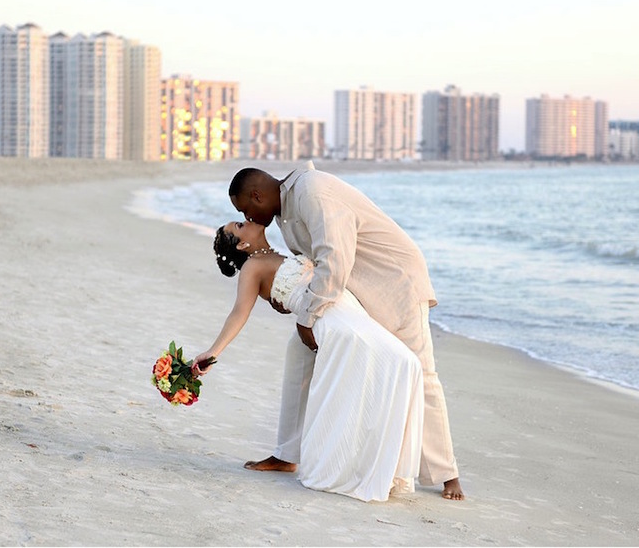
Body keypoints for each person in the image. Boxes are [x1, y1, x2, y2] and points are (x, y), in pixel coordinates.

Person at [228, 163, 465, 501]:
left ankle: (447, 475)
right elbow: (311, 264)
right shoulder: (285, 213)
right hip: (352, 295)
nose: (248, 217)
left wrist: (307, 315)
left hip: (395, 284)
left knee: (421, 372)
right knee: (299, 354)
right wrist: (288, 297)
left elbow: (335, 259)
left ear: (256, 195)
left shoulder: (313, 191)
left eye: (244, 210)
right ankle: (287, 454)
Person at [191, 221, 424, 503]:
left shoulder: (276, 252)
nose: (248, 221)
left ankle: (379, 464)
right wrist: (213, 352)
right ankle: (358, 464)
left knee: (404, 363)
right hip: (333, 321)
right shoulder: (253, 266)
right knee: (403, 362)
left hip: (346, 309)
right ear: (242, 245)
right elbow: (239, 312)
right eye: (240, 225)